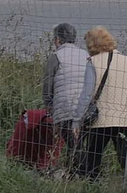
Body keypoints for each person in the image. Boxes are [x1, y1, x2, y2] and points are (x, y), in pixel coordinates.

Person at [76, 26, 127, 179]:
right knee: (126, 157)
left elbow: (87, 94)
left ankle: (92, 186)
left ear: (91, 44)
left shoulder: (93, 62)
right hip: (124, 118)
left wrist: (77, 120)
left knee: (93, 157)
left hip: (101, 120)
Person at [41, 22, 96, 169]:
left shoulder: (56, 56)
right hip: (85, 107)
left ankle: (86, 175)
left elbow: (47, 85)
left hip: (65, 107)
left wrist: (49, 106)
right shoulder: (86, 55)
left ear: (58, 40)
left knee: (74, 145)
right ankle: (74, 175)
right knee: (77, 144)